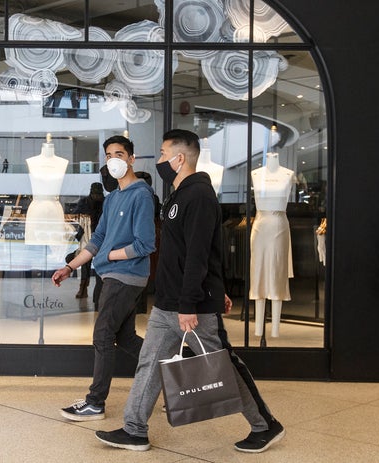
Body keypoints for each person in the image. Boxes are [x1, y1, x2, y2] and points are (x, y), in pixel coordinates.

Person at [95, 129, 284, 453]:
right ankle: (134, 429)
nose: (160, 160)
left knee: (223, 364)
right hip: (168, 302)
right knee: (149, 364)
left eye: (163, 154)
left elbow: (199, 254)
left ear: (179, 158)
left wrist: (191, 302)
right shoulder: (179, 196)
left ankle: (265, 424)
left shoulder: (198, 196)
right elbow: (197, 252)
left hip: (191, 306)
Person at [52, 135, 156, 421]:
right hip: (113, 275)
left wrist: (109, 257)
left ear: (132, 159)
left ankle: (95, 402)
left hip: (125, 276)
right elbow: (97, 240)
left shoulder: (141, 194)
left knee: (102, 335)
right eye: (109, 155)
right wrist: (70, 267)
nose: (114, 160)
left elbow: (145, 244)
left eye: (120, 154)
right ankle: (171, 375)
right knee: (125, 338)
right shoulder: (113, 198)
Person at [250, 151, 295, 338]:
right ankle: (258, 327)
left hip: (279, 222)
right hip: (260, 224)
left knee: (276, 271)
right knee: (258, 271)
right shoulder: (256, 174)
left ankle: (276, 328)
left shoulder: (288, 174)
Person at [72, 182, 104, 299]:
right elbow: (76, 216)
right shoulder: (84, 202)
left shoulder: (106, 202)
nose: (97, 197)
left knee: (101, 263)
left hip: (101, 236)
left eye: (98, 194)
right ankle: (83, 288)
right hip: (87, 235)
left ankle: (100, 289)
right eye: (95, 194)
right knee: (85, 264)